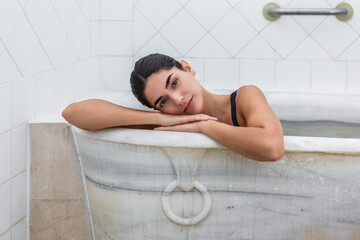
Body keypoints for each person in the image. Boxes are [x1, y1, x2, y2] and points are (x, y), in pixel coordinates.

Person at [62, 53, 284, 161]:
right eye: (163, 101)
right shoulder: (169, 121)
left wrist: (202, 126)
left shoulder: (245, 97)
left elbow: (272, 147)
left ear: (187, 68)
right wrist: (160, 120)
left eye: (174, 83)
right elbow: (72, 113)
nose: (177, 99)